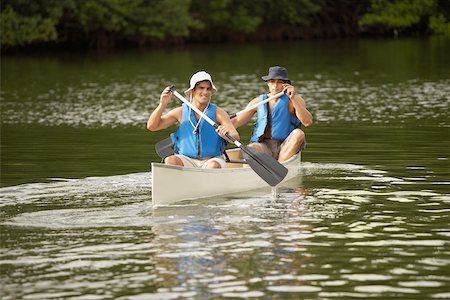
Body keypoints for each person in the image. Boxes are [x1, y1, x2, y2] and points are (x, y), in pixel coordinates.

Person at [147, 71, 239, 169]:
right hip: (186, 159)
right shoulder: (180, 112)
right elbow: (152, 126)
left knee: (213, 166)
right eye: (201, 88)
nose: (205, 92)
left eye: (208, 89)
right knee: (170, 160)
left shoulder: (219, 113)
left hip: (212, 159)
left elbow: (236, 137)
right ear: (193, 91)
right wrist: (163, 104)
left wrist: (226, 135)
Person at [232, 66, 313, 162]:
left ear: (286, 84)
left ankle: (280, 165)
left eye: (279, 82)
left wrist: (293, 98)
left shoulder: (295, 100)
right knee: (251, 148)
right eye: (272, 81)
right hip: (264, 146)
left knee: (299, 134)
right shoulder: (258, 102)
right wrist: (221, 125)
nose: (275, 86)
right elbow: (236, 121)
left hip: (286, 145)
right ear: (268, 83)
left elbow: (307, 122)